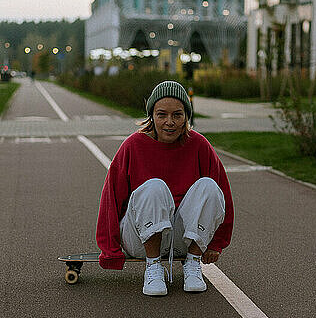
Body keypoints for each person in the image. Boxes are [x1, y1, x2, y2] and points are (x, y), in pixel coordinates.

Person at [96, 80, 234, 296]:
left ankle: (193, 264)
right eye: (162, 115)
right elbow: (111, 199)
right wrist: (111, 251)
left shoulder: (199, 145)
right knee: (154, 186)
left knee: (209, 185)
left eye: (177, 115)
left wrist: (217, 243)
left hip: (184, 239)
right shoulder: (133, 146)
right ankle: (153, 267)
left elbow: (222, 194)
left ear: (186, 117)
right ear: (152, 116)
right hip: (139, 238)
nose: (170, 122)